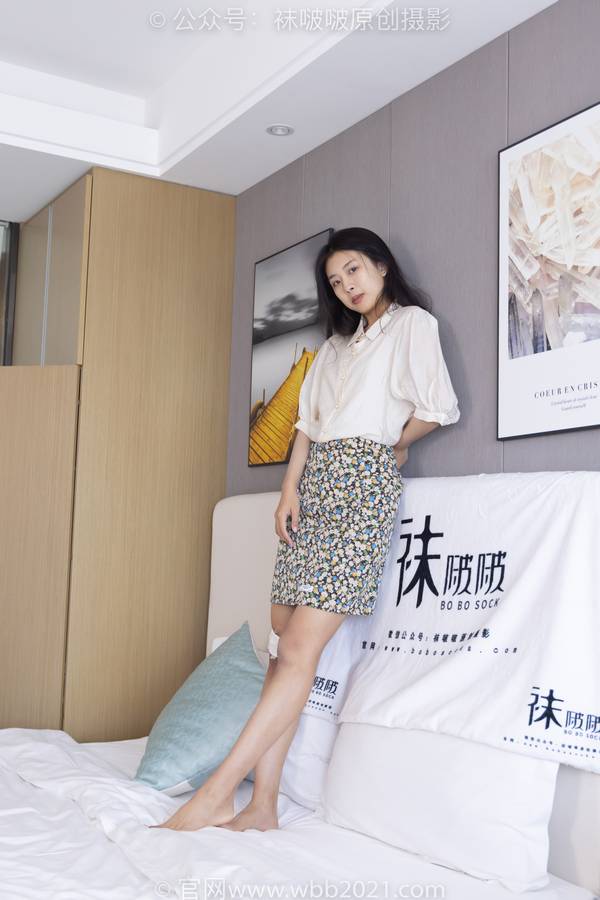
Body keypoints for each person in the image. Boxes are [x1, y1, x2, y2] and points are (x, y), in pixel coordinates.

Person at [153, 226, 460, 832]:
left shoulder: (412, 325)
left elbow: (439, 407)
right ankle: (263, 806)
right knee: (281, 643)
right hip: (314, 487)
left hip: (361, 486)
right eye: (336, 281)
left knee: (298, 650)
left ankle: (217, 793)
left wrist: (389, 447)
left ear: (380, 265)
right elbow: (306, 426)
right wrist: (289, 489)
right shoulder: (335, 348)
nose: (347, 286)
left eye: (354, 270)